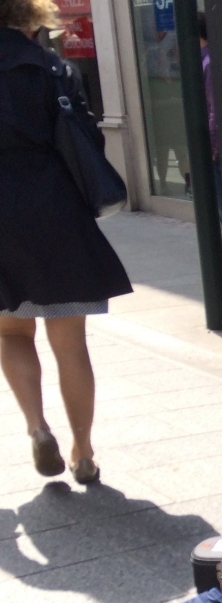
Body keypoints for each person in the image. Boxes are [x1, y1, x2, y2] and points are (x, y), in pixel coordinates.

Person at [0, 0, 132, 482]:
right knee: (71, 343)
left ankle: (37, 428)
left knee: (11, 333)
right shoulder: (51, 67)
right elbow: (86, 139)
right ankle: (84, 450)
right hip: (55, 209)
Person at [196, 11, 222, 276]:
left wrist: (213, 147)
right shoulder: (204, 60)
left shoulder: (207, 62)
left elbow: (213, 108)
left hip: (215, 147)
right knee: (221, 208)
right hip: (212, 144)